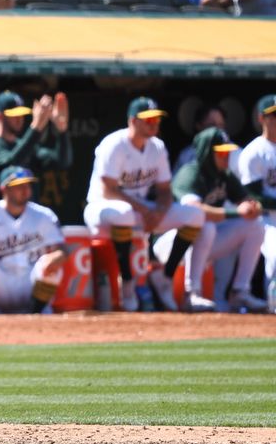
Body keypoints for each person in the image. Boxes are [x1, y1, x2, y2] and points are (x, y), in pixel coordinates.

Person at [83, 97, 205, 312]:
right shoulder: (114, 144)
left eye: (156, 119)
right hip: (102, 209)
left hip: (141, 211)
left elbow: (165, 190)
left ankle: (165, 277)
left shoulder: (157, 147)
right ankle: (127, 282)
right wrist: (146, 210)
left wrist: (159, 211)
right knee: (125, 213)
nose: (153, 124)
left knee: (195, 216)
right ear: (133, 121)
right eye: (148, 119)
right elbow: (109, 189)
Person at [154, 128, 266, 312]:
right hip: (170, 244)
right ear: (207, 152)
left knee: (255, 226)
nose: (226, 156)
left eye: (227, 152)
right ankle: (192, 294)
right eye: (221, 152)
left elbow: (248, 202)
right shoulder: (190, 173)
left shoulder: (224, 175)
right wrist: (237, 212)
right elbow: (196, 210)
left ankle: (240, 292)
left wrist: (253, 207)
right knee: (205, 226)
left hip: (202, 243)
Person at [0, 166, 66, 314]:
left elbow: (61, 249)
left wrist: (58, 256)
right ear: (4, 189)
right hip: (2, 284)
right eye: (19, 186)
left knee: (51, 266)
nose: (25, 190)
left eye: (27, 185)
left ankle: (36, 314)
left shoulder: (44, 215)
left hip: (30, 281)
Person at [0, 90, 72, 209]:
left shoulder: (26, 145)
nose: (19, 119)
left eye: (21, 114)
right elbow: (12, 163)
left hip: (28, 220)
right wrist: (36, 126)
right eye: (13, 115)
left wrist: (62, 130)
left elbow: (62, 161)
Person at [238, 94, 276, 301]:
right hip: (266, 218)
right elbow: (252, 195)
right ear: (262, 119)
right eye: (274, 115)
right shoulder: (254, 151)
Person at [173, 105, 227, 173]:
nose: (217, 130)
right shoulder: (186, 155)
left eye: (221, 125)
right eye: (212, 125)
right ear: (199, 126)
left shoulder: (235, 152)